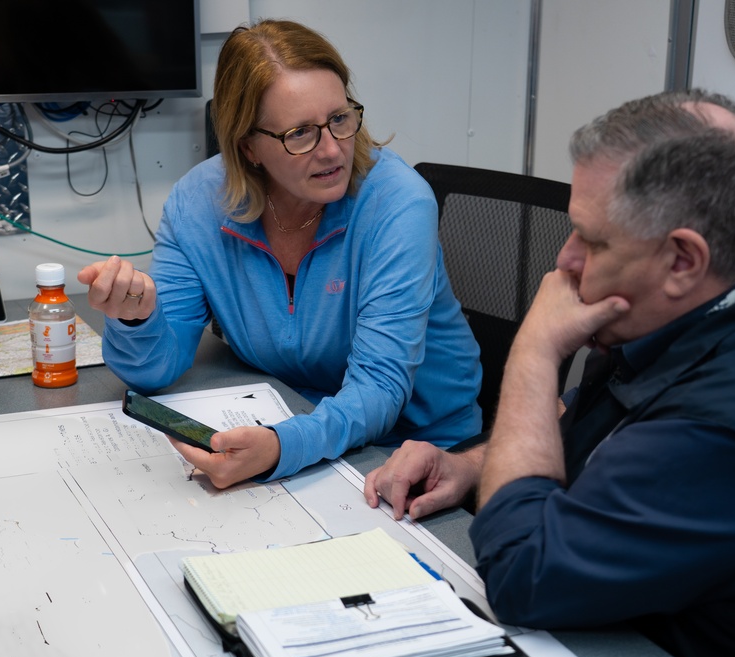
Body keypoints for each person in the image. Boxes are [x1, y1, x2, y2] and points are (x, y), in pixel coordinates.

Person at [364, 89, 735, 657]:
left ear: (683, 260)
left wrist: (533, 355)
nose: (565, 261)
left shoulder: (728, 433)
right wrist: (471, 465)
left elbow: (520, 576)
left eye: (593, 239)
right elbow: (599, 423)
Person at [77, 19, 481, 486]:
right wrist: (136, 319)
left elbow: (380, 390)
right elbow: (155, 370)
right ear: (249, 146)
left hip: (417, 452)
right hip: (297, 424)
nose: (332, 151)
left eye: (339, 119)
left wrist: (281, 446)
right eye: (300, 134)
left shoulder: (397, 203)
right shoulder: (198, 203)